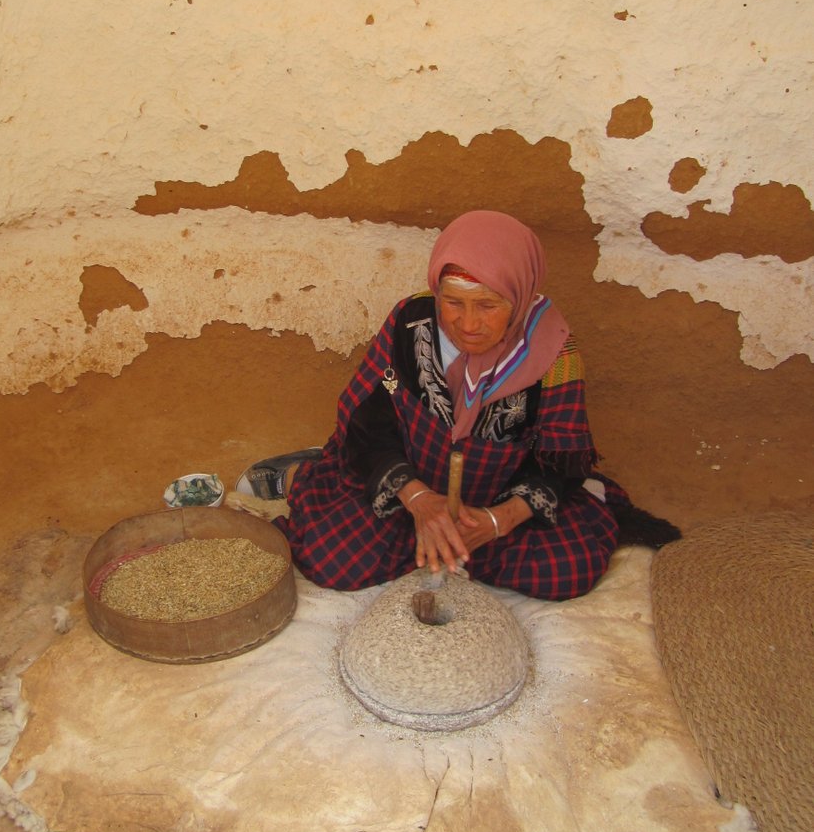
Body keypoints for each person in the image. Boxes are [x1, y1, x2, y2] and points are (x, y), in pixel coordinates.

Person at [237, 210, 679, 599]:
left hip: (495, 500)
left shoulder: (554, 356)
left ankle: (446, 545)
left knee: (568, 571)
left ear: (519, 298)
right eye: (453, 303)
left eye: (488, 305)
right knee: (334, 560)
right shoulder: (410, 324)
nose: (468, 324)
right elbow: (366, 421)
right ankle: (373, 504)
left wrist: (496, 522)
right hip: (404, 490)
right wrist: (418, 500)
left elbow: (562, 458)